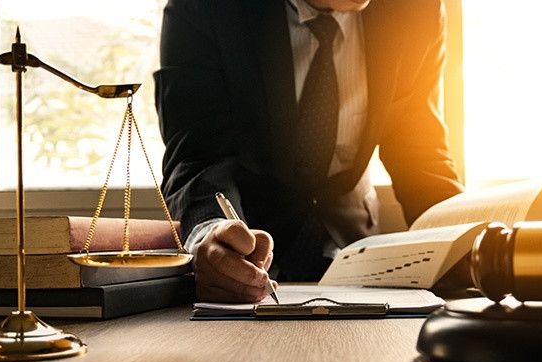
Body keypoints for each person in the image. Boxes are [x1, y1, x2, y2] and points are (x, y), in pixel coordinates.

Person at [154, 0, 463, 302]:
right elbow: (197, 155)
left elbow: (420, 155)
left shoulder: (417, 8)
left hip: (360, 257)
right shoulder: (202, 7)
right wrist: (211, 233)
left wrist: (467, 242)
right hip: (252, 265)